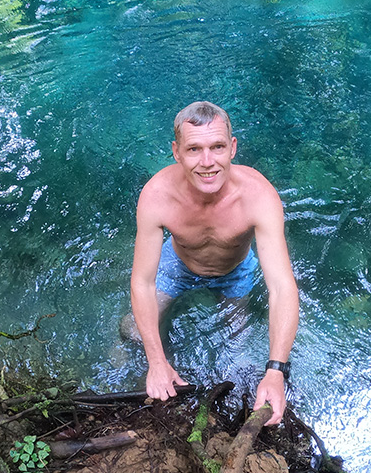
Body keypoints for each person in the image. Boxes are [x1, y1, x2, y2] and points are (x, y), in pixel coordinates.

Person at [123, 101, 299, 426]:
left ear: (232, 147)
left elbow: (281, 286)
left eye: (217, 147)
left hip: (235, 273)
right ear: (176, 152)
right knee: (131, 332)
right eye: (194, 149)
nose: (207, 162)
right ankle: (159, 375)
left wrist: (277, 370)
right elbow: (142, 282)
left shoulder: (258, 196)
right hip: (178, 265)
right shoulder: (157, 196)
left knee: (236, 352)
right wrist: (156, 359)